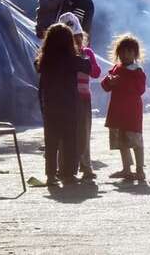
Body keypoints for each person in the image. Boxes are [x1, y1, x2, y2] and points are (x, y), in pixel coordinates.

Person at [35, 23, 92, 186]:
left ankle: (51, 175)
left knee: (51, 142)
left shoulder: (45, 60)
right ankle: (68, 173)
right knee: (69, 140)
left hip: (50, 106)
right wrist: (82, 53)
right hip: (69, 106)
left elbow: (37, 67)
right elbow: (87, 66)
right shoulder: (71, 59)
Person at [59, 12, 101, 181]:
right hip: (66, 99)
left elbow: (97, 73)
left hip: (83, 99)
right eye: (71, 39)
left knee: (84, 133)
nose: (75, 42)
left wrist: (86, 63)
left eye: (77, 37)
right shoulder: (60, 56)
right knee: (65, 133)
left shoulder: (87, 53)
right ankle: (63, 166)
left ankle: (86, 166)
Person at [101, 34, 147, 181]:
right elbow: (105, 86)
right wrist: (109, 81)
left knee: (135, 142)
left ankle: (140, 169)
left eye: (128, 52)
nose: (124, 55)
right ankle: (126, 169)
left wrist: (120, 83)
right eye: (121, 52)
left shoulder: (137, 71)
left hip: (131, 112)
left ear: (135, 54)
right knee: (122, 142)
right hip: (117, 111)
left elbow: (140, 89)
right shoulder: (116, 68)